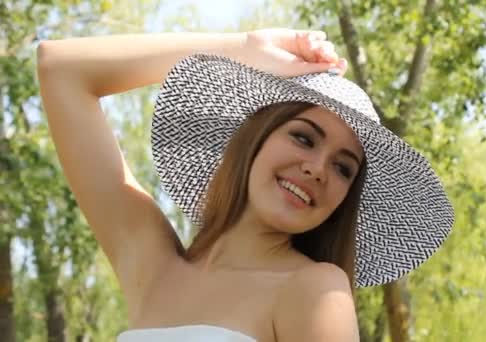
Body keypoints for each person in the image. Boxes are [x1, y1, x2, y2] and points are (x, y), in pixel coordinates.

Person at [37, 28, 454, 341]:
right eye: (303, 137)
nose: (317, 169)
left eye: (344, 168)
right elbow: (60, 68)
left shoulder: (316, 289)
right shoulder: (156, 265)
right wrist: (242, 48)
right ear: (255, 138)